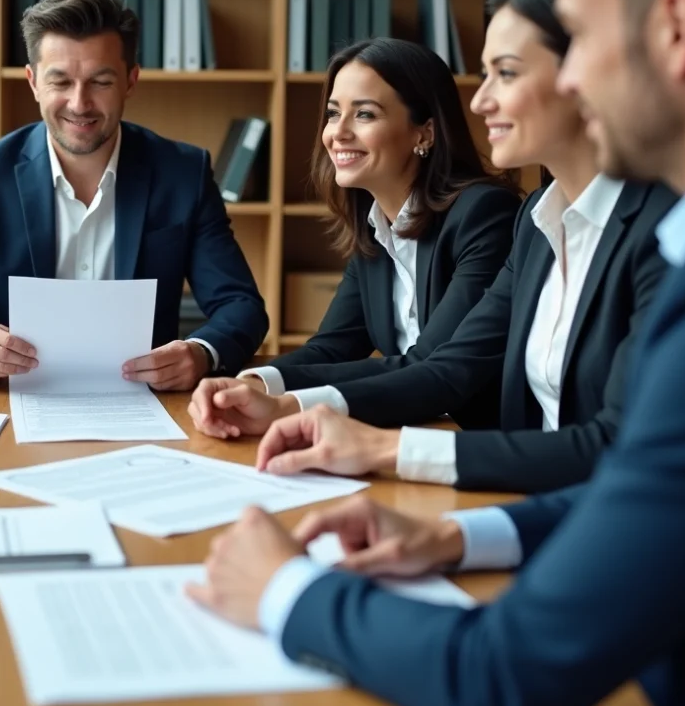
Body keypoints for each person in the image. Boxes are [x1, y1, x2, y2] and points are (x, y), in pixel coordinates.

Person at [188, 0, 685, 706]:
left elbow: (506, 667)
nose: (565, 78)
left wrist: (286, 591)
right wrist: (455, 534)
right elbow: (639, 478)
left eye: (577, 43)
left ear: (673, 27)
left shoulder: (654, 247)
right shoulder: (548, 221)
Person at [189, 0, 675, 494]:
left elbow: (444, 372)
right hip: (517, 494)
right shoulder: (538, 223)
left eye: (506, 73)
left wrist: (361, 438)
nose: (480, 99)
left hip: (544, 492)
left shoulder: (639, 230)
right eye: (333, 112)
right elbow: (433, 363)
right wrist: (270, 392)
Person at [0, 0, 268, 390]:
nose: (80, 104)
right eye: (60, 82)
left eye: (100, 82)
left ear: (130, 80)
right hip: (16, 399)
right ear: (32, 81)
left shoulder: (183, 172)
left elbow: (241, 306)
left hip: (148, 401)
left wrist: (202, 352)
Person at [219, 37, 521, 427]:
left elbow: (429, 364)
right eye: (332, 113)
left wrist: (286, 404)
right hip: (411, 427)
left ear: (424, 133)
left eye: (364, 114)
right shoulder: (375, 226)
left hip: (474, 438)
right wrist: (254, 382)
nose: (337, 133)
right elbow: (332, 349)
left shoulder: (483, 214)